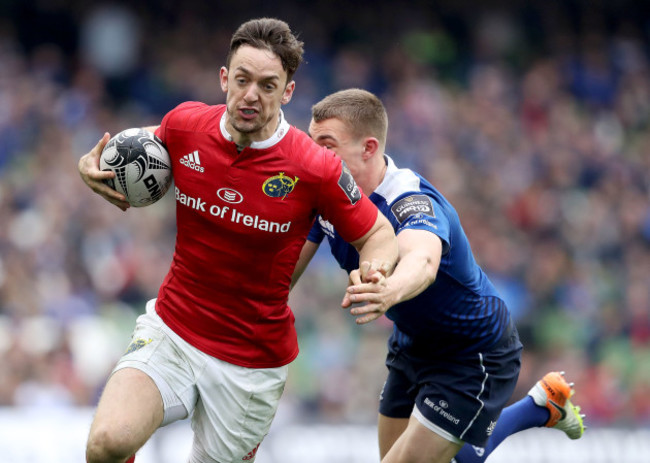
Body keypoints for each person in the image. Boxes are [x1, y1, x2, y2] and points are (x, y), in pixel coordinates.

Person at [77, 20, 398, 463]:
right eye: (242, 80)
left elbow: (378, 233)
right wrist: (90, 167)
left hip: (250, 366)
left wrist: (376, 270)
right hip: (173, 329)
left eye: (268, 85)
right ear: (224, 78)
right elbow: (129, 149)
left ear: (287, 92)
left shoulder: (315, 168)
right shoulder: (184, 125)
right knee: (106, 443)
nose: (251, 95)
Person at [293, 88, 585, 463]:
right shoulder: (327, 197)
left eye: (326, 145)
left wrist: (388, 292)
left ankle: (538, 408)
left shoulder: (410, 200)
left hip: (473, 352)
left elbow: (423, 261)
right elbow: (285, 268)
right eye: (310, 143)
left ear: (368, 148)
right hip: (412, 343)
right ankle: (542, 406)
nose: (313, 156)